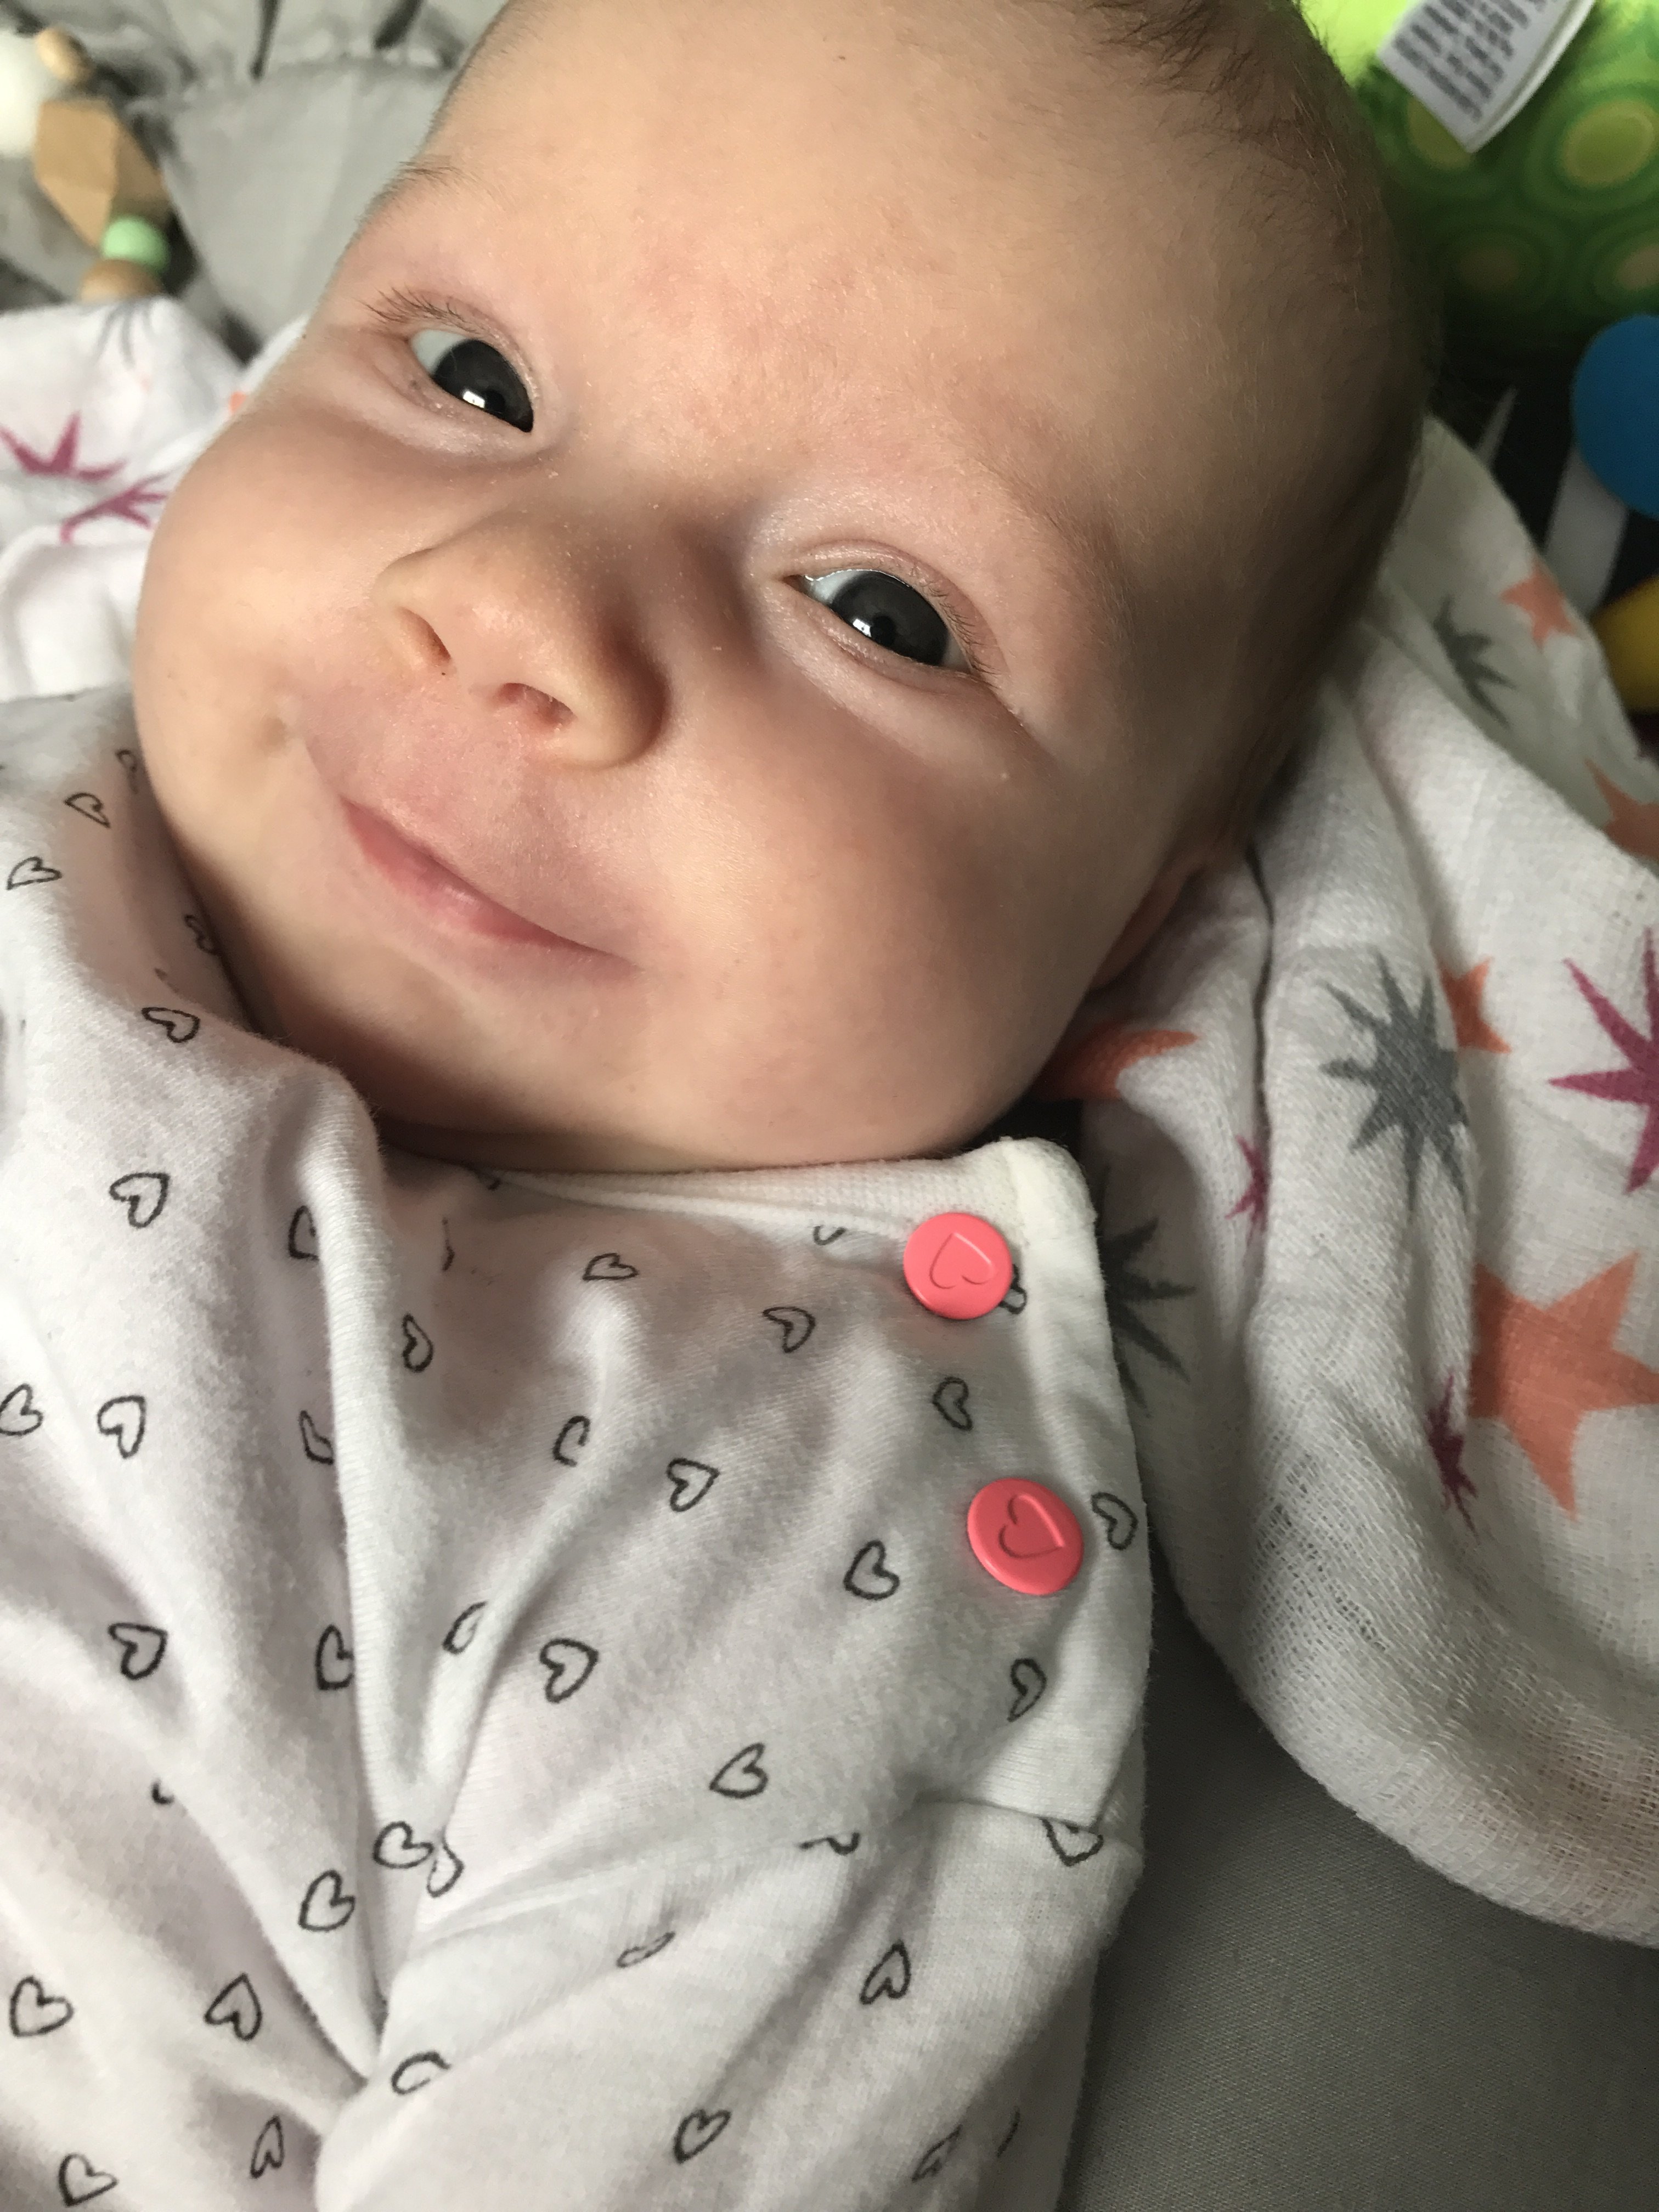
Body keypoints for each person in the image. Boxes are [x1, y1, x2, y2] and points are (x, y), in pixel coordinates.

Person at [0, 0, 1429, 2203]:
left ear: (1133, 928)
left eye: (879, 611)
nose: (515, 604)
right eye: (473, 377)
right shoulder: (75, 770)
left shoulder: (803, 1525)